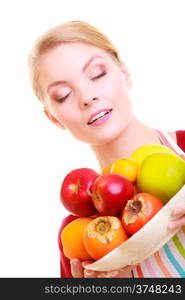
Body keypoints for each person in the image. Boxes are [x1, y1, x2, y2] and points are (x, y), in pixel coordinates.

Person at [28, 20, 185, 278]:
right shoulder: (79, 244)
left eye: (97, 74)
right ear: (54, 118)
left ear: (124, 72)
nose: (86, 97)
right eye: (64, 94)